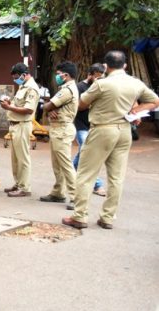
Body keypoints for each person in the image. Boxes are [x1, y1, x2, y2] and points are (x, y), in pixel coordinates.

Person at [62, 51, 159, 229]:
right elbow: (155, 101)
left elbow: (82, 104)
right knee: (116, 177)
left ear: (106, 66)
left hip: (102, 130)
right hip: (124, 131)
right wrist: (135, 111)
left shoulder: (102, 84)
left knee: (86, 173)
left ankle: (80, 216)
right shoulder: (135, 83)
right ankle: (107, 218)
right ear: (125, 65)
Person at [39, 61, 79, 206]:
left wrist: (48, 108)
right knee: (57, 164)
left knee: (65, 164)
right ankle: (58, 192)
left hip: (62, 129)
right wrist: (50, 108)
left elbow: (47, 106)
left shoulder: (67, 90)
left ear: (66, 75)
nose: (57, 76)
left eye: (59, 74)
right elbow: (50, 107)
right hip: (58, 129)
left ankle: (76, 196)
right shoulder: (67, 88)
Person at [0, 63, 40, 197]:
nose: (15, 80)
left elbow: (29, 109)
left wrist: (9, 108)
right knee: (15, 158)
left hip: (22, 125)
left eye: (17, 77)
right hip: (15, 125)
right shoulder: (23, 86)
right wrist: (9, 102)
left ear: (24, 74)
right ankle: (18, 183)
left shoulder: (31, 88)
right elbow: (19, 104)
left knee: (23, 158)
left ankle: (25, 187)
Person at [72, 64, 106, 200]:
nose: (99, 80)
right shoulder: (80, 87)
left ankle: (70, 172)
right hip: (82, 126)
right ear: (90, 74)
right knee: (89, 155)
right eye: (97, 77)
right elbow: (78, 107)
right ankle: (97, 185)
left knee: (80, 159)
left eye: (101, 77)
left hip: (95, 126)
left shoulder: (101, 87)